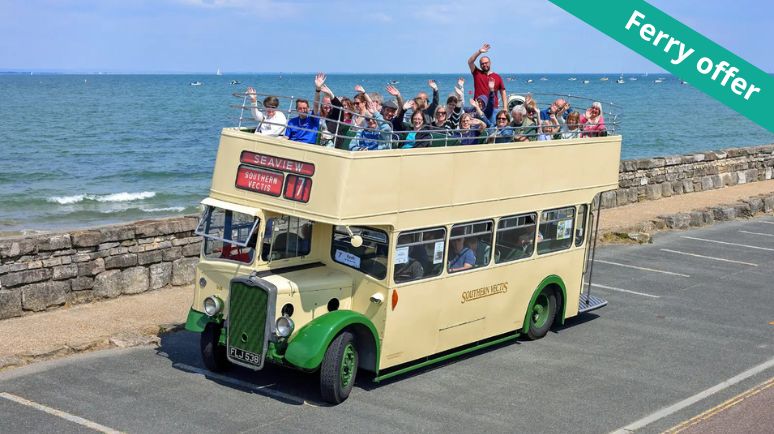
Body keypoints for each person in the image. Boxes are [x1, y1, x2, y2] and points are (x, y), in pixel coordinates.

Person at [467, 43, 506, 110]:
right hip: (479, 108)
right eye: (482, 64)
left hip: (493, 109)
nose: (484, 65)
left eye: (486, 63)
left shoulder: (497, 77)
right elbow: (470, 62)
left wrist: (505, 107)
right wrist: (479, 52)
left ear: (490, 63)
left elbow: (503, 92)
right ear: (480, 65)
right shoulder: (477, 73)